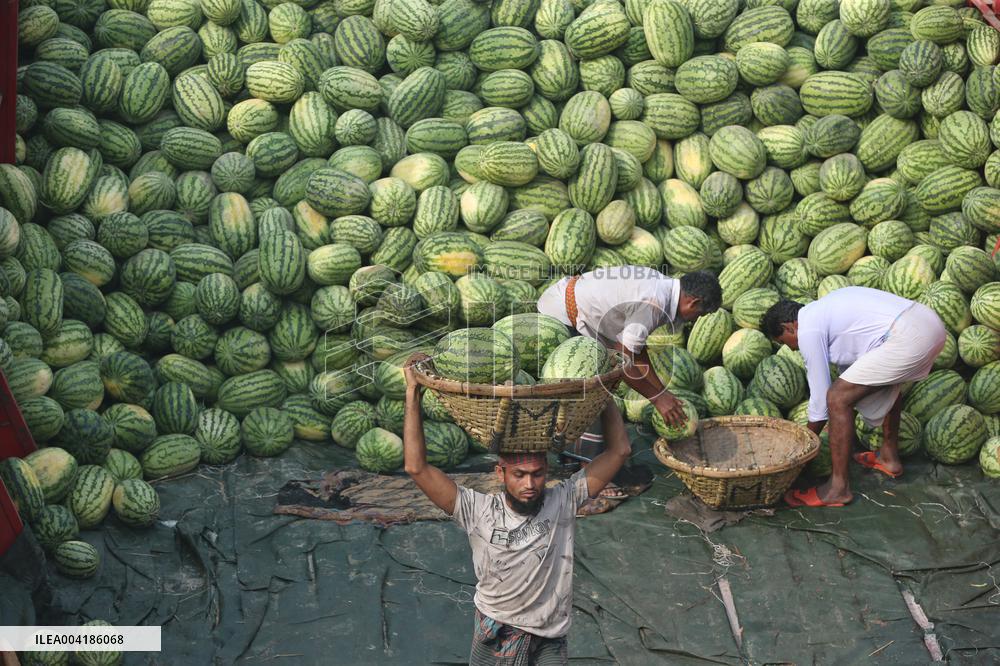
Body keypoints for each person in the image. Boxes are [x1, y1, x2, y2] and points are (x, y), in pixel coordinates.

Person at [402, 353, 633, 665]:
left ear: (547, 472)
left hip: (551, 635)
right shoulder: (476, 509)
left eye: (538, 474)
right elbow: (416, 468)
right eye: (519, 475)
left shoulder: (563, 501)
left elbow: (620, 450)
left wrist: (602, 392)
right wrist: (412, 393)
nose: (530, 484)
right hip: (499, 630)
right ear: (501, 473)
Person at [760, 286, 946, 507]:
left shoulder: (808, 328)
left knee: (837, 398)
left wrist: (801, 450)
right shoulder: (826, 309)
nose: (790, 349)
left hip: (908, 335)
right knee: (877, 384)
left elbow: (822, 400)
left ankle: (838, 488)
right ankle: (889, 457)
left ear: (789, 327)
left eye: (783, 342)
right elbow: (854, 374)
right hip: (929, 324)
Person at [536, 265, 721, 459]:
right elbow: (621, 361)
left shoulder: (662, 286)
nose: (693, 321)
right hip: (559, 316)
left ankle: (586, 459)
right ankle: (587, 467)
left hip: (566, 304)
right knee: (592, 393)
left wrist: (662, 392)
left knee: (599, 392)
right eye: (699, 315)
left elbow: (636, 352)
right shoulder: (654, 303)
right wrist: (657, 398)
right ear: (693, 302)